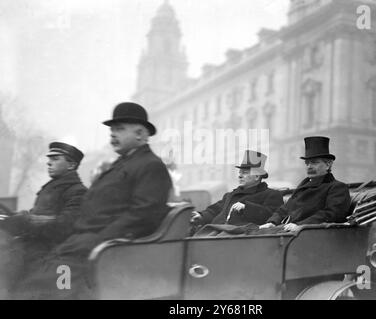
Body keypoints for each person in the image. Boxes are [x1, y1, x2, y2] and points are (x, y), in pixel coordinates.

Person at [13, 102, 173, 299]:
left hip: (102, 249)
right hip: (79, 243)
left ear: (140, 134)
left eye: (120, 129)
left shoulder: (150, 166)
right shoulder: (123, 165)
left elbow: (143, 215)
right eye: (112, 130)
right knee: (28, 277)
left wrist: (99, 241)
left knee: (41, 287)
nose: (112, 134)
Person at [0, 142, 87, 293]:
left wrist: (26, 221)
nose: (49, 162)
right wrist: (17, 217)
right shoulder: (51, 187)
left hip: (49, 252)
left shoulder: (78, 191)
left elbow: (65, 225)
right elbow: (36, 214)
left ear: (71, 165)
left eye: (55, 158)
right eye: (49, 158)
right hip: (32, 248)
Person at [260, 137, 351, 232]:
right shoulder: (303, 185)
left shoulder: (336, 187)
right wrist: (272, 222)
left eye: (314, 163)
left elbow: (332, 214)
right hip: (289, 231)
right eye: (307, 163)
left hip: (308, 234)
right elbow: (285, 208)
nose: (309, 167)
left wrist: (301, 225)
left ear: (328, 164)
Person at [191, 150, 283, 227]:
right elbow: (215, 210)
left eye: (245, 172)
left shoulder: (271, 195)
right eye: (240, 172)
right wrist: (201, 216)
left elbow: (271, 215)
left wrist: (246, 208)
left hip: (240, 238)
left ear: (257, 176)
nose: (240, 176)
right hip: (216, 233)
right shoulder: (230, 195)